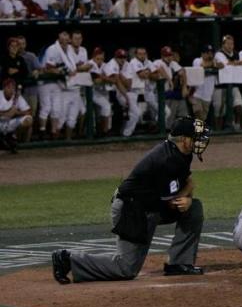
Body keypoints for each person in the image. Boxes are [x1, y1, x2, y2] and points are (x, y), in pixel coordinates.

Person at [51, 117, 211, 284]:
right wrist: (186, 197)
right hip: (131, 210)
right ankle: (68, 259)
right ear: (185, 140)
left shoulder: (181, 154)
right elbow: (174, 200)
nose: (200, 141)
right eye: (196, 137)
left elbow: (188, 183)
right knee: (125, 268)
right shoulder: (166, 160)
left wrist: (187, 197)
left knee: (193, 209)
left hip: (150, 207)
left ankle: (179, 263)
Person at [0, 78, 33, 153]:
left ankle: (13, 138)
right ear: (4, 88)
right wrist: (7, 112)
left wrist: (17, 112)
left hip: (10, 123)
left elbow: (29, 111)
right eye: (9, 87)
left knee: (28, 119)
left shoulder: (17, 96)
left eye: (13, 88)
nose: (11, 90)